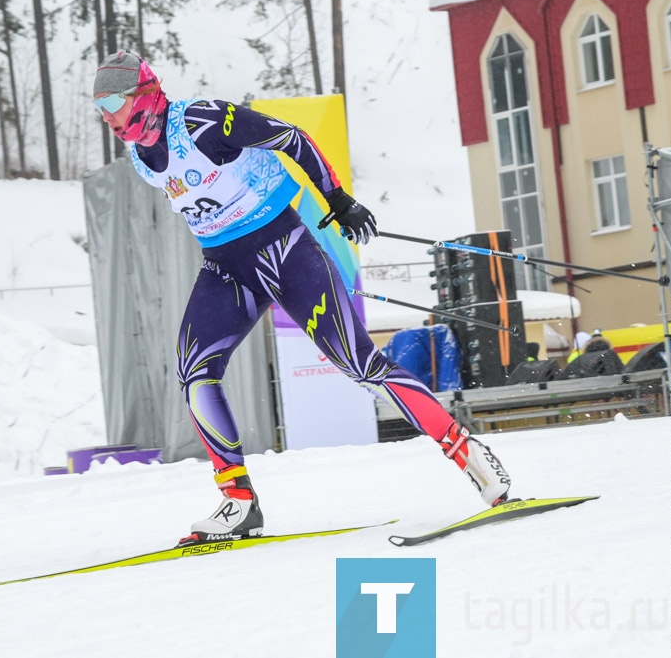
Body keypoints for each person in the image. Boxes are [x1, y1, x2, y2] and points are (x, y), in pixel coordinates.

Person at [92, 50, 512, 544]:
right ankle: (238, 502)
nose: (107, 115)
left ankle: (470, 455)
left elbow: (290, 137)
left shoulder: (202, 122)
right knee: (194, 372)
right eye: (100, 106)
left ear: (142, 94)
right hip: (227, 270)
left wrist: (336, 197)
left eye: (114, 101)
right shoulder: (141, 157)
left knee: (360, 364)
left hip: (285, 250)